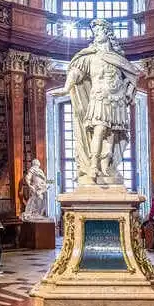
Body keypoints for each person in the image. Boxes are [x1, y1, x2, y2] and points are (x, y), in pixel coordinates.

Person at [64, 19, 140, 185]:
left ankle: (106, 167)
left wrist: (128, 91)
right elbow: (76, 72)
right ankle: (93, 165)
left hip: (117, 100)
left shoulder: (117, 58)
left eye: (99, 31)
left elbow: (133, 76)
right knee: (99, 130)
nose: (96, 35)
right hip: (99, 97)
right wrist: (66, 88)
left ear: (107, 33)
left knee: (112, 135)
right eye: (95, 32)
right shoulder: (90, 56)